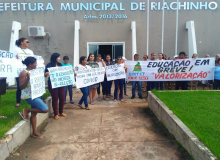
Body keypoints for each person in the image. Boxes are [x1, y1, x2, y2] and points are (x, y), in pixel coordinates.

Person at [19, 57, 49, 138]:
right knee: (45, 109)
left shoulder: (36, 71)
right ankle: (26, 110)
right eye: (35, 63)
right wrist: (27, 79)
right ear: (30, 64)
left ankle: (34, 132)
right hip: (30, 96)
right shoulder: (24, 73)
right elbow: (21, 87)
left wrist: (45, 74)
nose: (36, 65)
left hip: (37, 94)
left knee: (34, 113)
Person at [45, 53, 66, 120]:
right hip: (52, 83)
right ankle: (56, 114)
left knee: (62, 97)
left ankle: (61, 112)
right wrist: (46, 73)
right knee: (55, 98)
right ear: (55, 58)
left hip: (60, 83)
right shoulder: (49, 65)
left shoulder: (60, 65)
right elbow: (45, 74)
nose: (59, 58)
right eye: (58, 57)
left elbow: (64, 73)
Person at [14, 38, 34, 109]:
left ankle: (33, 98)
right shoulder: (15, 50)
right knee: (20, 87)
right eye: (27, 42)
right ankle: (18, 102)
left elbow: (34, 60)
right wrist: (14, 57)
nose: (28, 43)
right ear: (22, 42)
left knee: (31, 85)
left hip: (29, 71)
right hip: (19, 72)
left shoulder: (30, 51)